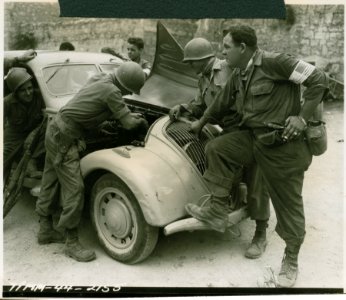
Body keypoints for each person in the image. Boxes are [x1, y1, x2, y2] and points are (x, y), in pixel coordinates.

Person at [186, 25, 329, 287]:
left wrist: (301, 117)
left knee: (289, 205)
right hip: (254, 139)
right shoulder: (240, 72)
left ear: (243, 47)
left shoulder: (276, 63)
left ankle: (291, 259)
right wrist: (201, 121)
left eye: (227, 47)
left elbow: (318, 79)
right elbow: (221, 102)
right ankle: (218, 210)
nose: (222, 52)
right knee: (217, 147)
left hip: (283, 147)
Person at [35, 61, 148, 262]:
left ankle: (45, 230)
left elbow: (86, 105)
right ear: (125, 86)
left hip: (55, 129)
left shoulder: (101, 77)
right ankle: (71, 242)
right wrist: (141, 120)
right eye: (129, 91)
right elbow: (129, 124)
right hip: (66, 137)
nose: (128, 95)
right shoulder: (112, 91)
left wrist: (100, 125)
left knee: (51, 180)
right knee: (75, 189)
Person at [169, 37, 270, 259]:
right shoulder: (203, 79)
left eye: (191, 62)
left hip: (250, 130)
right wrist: (183, 107)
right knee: (217, 159)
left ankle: (260, 235)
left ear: (202, 59)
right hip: (231, 132)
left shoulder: (227, 69)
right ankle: (221, 209)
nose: (189, 66)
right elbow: (201, 104)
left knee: (257, 180)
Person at [4, 67, 45, 184]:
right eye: (23, 90)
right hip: (14, 137)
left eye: (30, 88)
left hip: (34, 135)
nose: (28, 93)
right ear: (15, 92)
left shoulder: (39, 96)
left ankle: (32, 162)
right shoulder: (6, 102)